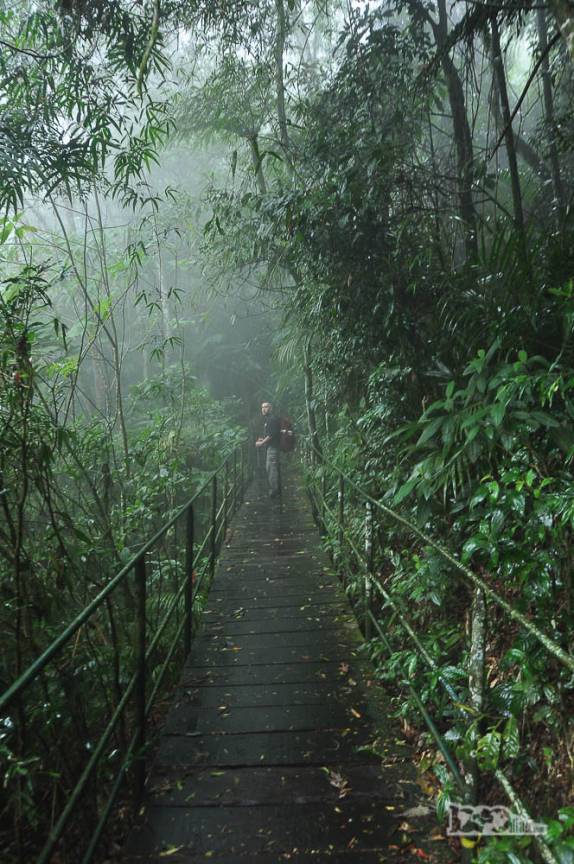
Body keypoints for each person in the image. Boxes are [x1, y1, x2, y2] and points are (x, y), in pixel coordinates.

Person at [255, 401, 281, 498]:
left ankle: (274, 491)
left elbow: (272, 434)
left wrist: (261, 443)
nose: (263, 409)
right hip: (272, 447)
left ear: (270, 408)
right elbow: (271, 434)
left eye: (266, 407)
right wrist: (263, 439)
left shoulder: (272, 419)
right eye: (262, 407)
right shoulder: (269, 419)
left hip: (273, 449)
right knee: (270, 468)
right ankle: (274, 489)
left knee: (272, 469)